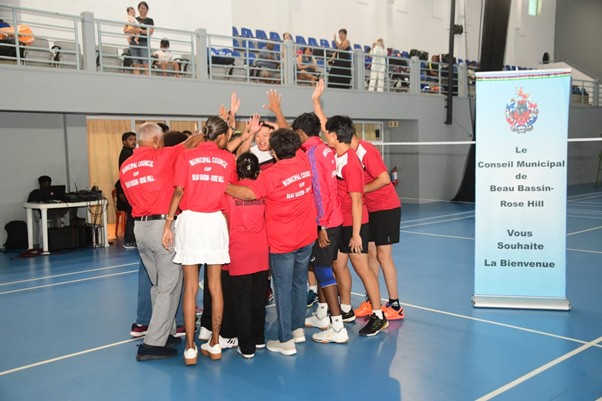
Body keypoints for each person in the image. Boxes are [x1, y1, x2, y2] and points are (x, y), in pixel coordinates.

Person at [226, 129, 317, 356]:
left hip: (282, 243)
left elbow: (248, 194)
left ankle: (286, 340)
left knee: (283, 289)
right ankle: (297, 329)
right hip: (307, 237)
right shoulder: (303, 161)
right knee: (299, 284)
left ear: (274, 152)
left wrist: (222, 186)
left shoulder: (271, 175)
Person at [119, 122, 202, 361]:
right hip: (161, 227)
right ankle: (152, 344)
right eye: (162, 140)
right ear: (155, 141)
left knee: (157, 285)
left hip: (140, 228)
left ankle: (165, 333)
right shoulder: (162, 156)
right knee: (169, 286)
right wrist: (213, 127)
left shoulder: (125, 166)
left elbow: (129, 197)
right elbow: (191, 142)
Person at [162, 116, 236, 365]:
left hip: (190, 221)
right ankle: (215, 343)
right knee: (215, 287)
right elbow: (228, 189)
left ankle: (190, 348)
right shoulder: (228, 159)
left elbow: (178, 190)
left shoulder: (187, 155)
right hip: (215, 221)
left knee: (191, 287)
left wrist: (168, 223)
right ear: (222, 136)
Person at [291, 111, 349, 344]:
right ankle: (322, 315)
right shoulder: (325, 148)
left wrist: (321, 224)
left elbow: (319, 190)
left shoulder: (313, 154)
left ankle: (337, 326)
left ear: (301, 133)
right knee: (322, 267)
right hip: (335, 217)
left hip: (325, 221)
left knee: (324, 272)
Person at [350, 134, 404, 321]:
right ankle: (372, 301)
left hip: (385, 207)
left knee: (383, 256)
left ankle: (395, 305)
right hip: (369, 209)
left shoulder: (366, 150)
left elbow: (384, 179)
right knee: (371, 254)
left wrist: (359, 190)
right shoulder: (348, 153)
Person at [226, 150, 270, 359]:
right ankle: (259, 338)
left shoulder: (229, 193)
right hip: (261, 249)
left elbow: (225, 222)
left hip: (239, 250)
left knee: (242, 300)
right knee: (258, 298)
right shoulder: (263, 191)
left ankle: (247, 346)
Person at [123, 1, 153, 75]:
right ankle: (137, 79)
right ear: (138, 9)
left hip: (144, 43)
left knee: (146, 63)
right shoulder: (133, 19)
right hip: (133, 43)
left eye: (144, 8)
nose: (142, 10)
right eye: (140, 8)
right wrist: (135, 30)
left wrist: (139, 31)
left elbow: (150, 32)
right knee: (136, 63)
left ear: (147, 9)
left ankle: (147, 79)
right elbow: (125, 30)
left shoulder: (150, 20)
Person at [118, 131, 137, 248]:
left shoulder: (129, 152)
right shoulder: (127, 153)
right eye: (130, 139)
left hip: (128, 186)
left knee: (132, 214)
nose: (133, 142)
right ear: (124, 142)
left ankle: (130, 239)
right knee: (131, 214)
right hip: (130, 187)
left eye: (134, 139)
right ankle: (129, 240)